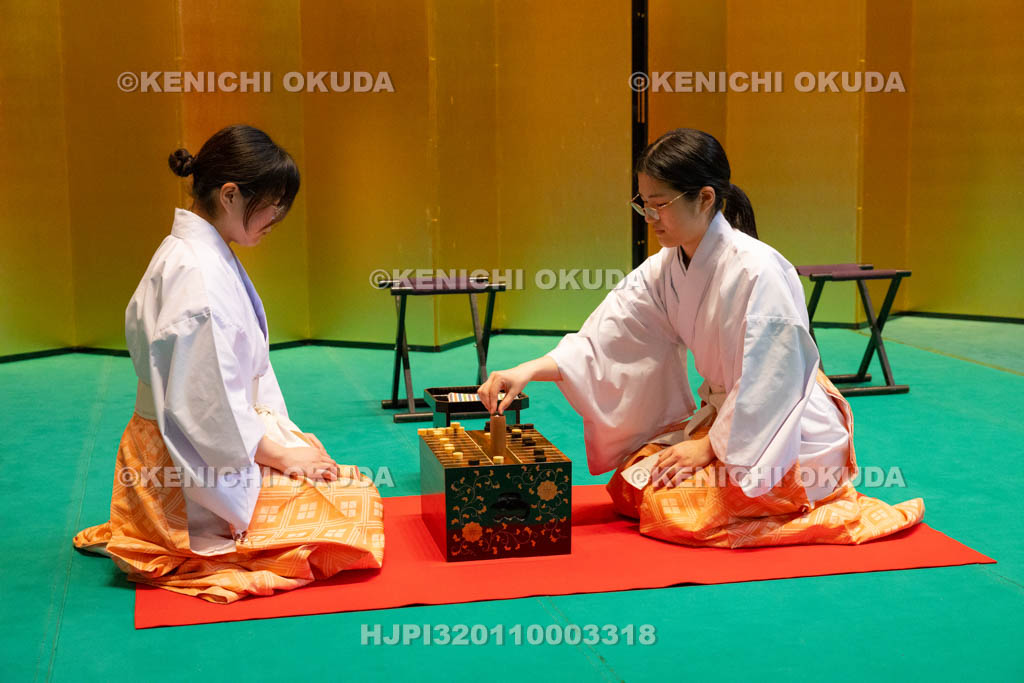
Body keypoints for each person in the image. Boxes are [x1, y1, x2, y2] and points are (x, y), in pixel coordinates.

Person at [479, 128, 924, 548]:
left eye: (660, 204)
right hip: (732, 419)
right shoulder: (667, 266)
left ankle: (822, 506)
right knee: (632, 484)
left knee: (672, 510)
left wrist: (709, 446)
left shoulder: (759, 270)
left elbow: (774, 382)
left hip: (787, 431)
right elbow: (611, 336)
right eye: (644, 205)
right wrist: (530, 370)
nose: (651, 218)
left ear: (706, 198)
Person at [74, 125, 384, 602]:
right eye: (272, 204)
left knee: (345, 488)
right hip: (187, 469)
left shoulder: (194, 253)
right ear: (231, 194)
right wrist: (281, 454)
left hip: (203, 443)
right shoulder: (198, 275)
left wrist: (280, 444)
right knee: (349, 518)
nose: (277, 217)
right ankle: (187, 535)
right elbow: (205, 409)